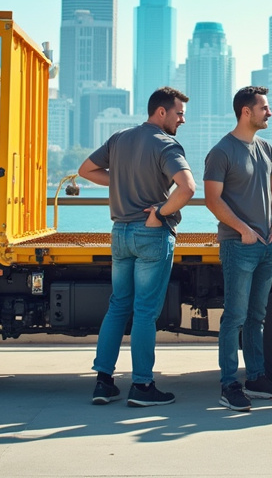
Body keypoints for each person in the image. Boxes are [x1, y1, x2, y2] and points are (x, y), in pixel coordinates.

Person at [77, 86, 195, 407]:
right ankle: (142, 386)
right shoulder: (166, 144)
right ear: (161, 112)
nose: (182, 119)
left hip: (120, 234)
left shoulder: (119, 138)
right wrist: (160, 211)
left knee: (118, 305)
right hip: (150, 235)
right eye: (179, 113)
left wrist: (117, 180)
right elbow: (187, 188)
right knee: (144, 312)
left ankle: (103, 383)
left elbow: (85, 170)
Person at [204, 85, 272, 411]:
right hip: (239, 246)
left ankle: (256, 378)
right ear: (246, 112)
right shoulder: (222, 152)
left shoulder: (266, 148)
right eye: (265, 108)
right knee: (235, 317)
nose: (270, 113)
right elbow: (213, 200)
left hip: (268, 245)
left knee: (258, 316)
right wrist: (243, 230)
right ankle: (229, 385)